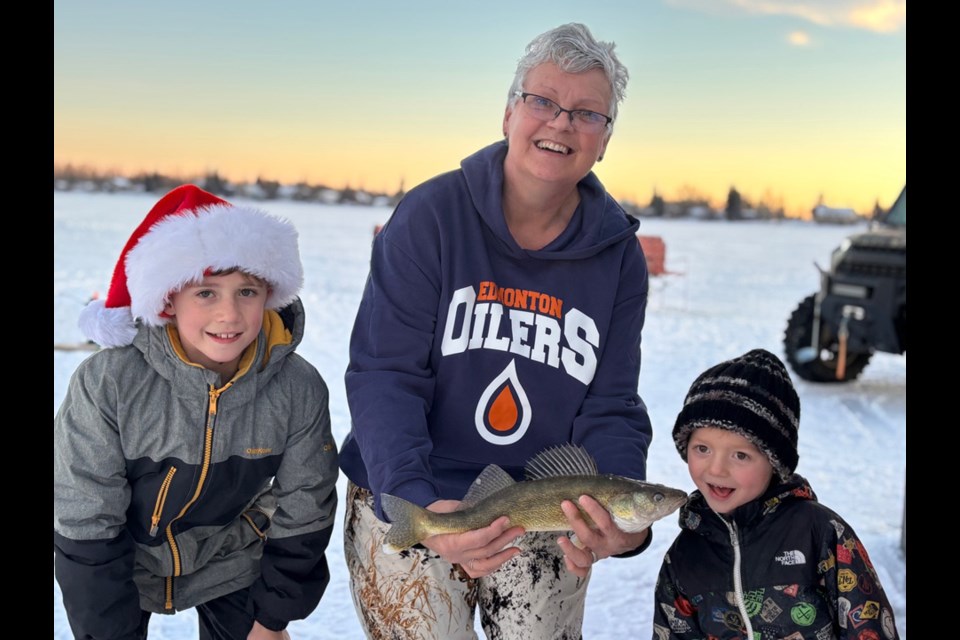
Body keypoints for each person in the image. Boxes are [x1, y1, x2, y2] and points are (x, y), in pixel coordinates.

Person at [341, 22, 653, 639]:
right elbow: (385, 374)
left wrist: (616, 509)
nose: (561, 123)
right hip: (415, 488)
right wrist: (414, 495)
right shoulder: (431, 217)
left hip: (543, 504)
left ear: (605, 139)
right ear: (510, 111)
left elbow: (611, 401)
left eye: (587, 113)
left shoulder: (619, 254)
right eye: (543, 101)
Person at [54, 185, 339, 640]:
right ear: (168, 300)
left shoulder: (296, 387)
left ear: (268, 294)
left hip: (233, 558)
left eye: (246, 291)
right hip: (127, 562)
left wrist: (272, 619)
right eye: (206, 293)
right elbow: (85, 517)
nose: (229, 314)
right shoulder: (108, 382)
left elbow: (306, 504)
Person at [652, 349, 900, 640]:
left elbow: (868, 625)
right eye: (702, 449)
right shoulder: (684, 557)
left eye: (740, 455)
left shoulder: (819, 533)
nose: (716, 469)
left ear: (775, 462)